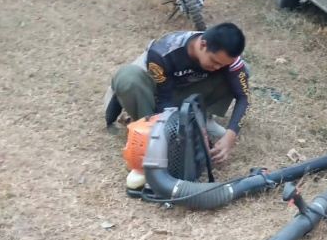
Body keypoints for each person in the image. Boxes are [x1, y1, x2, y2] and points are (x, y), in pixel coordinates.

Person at [103, 22, 250, 164]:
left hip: (181, 89)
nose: (218, 67)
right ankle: (147, 129)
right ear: (202, 45)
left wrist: (231, 136)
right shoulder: (164, 51)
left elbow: (244, 97)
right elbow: (164, 100)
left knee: (242, 72)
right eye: (214, 61)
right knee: (129, 78)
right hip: (153, 93)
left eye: (223, 64)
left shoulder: (225, 57)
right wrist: (177, 135)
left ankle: (198, 116)